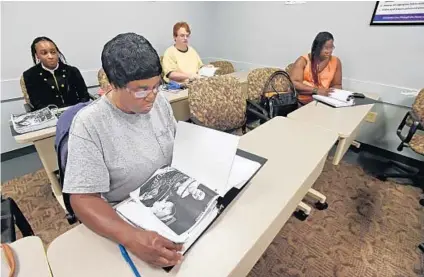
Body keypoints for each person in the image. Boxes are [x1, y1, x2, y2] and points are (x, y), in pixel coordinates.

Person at [62, 33, 183, 267]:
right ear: (113, 84)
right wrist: (132, 237)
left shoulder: (160, 103)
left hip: (169, 198)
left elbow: (178, 149)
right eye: (141, 90)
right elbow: (82, 199)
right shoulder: (89, 123)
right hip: (126, 214)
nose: (151, 96)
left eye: (156, 86)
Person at [22, 37, 90, 110]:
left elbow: (84, 96)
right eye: (44, 53)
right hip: (50, 116)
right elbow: (36, 103)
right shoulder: (30, 75)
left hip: (75, 111)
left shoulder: (72, 71)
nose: (50, 56)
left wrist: (77, 109)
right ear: (37, 56)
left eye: (53, 52)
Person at [290, 32, 342, 105]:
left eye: (331, 47)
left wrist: (330, 94)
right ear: (317, 47)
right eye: (326, 48)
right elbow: (294, 83)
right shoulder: (303, 61)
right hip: (302, 101)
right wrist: (316, 90)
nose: (329, 51)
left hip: (324, 100)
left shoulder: (336, 61)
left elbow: (337, 85)